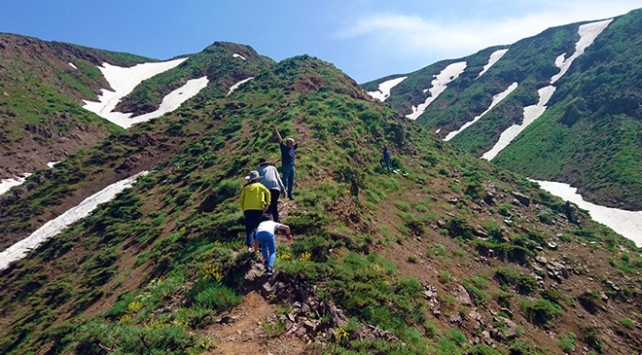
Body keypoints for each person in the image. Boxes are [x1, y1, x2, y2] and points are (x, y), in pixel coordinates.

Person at [239, 170, 271, 252]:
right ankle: (260, 246)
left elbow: (241, 199)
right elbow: (267, 192)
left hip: (247, 209)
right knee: (259, 227)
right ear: (257, 179)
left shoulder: (245, 188)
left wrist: (243, 208)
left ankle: (249, 246)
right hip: (258, 209)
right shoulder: (260, 186)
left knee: (249, 228)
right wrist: (267, 204)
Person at [257, 158, 286, 223]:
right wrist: (283, 190)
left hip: (264, 190)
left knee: (267, 208)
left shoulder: (259, 170)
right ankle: (277, 224)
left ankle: (267, 225)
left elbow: (257, 181)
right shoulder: (273, 168)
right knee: (274, 207)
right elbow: (278, 179)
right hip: (275, 189)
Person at [274, 125, 298, 199]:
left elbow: (300, 143)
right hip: (285, 166)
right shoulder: (284, 147)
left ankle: (290, 195)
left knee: (291, 181)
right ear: (288, 143)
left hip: (292, 166)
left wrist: (305, 136)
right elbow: (280, 139)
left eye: (293, 143)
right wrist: (276, 131)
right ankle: (283, 194)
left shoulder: (293, 148)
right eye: (291, 143)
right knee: (285, 181)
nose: (292, 144)